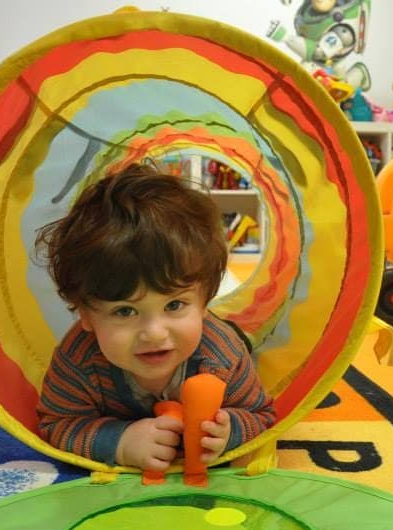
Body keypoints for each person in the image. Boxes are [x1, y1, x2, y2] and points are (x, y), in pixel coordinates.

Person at [34, 163, 276, 471]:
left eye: (174, 305)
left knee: (237, 338)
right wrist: (120, 442)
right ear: (87, 316)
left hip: (216, 337)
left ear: (204, 301)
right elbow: (58, 423)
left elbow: (259, 413)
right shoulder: (78, 363)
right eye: (125, 311)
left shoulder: (222, 357)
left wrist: (229, 434)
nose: (154, 333)